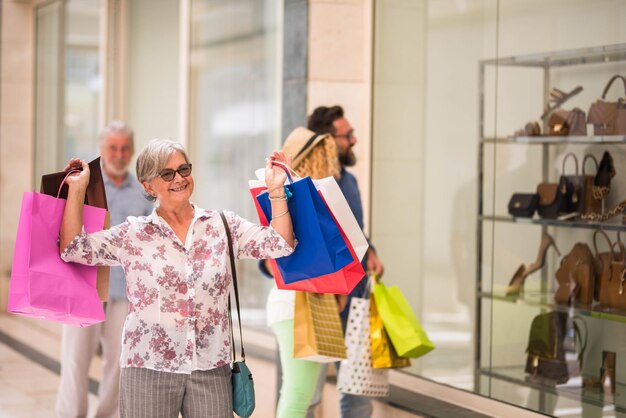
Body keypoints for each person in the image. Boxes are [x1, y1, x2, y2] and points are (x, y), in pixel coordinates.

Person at [59, 138, 295, 417]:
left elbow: (281, 243)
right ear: (148, 186)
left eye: (184, 169)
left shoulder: (222, 225)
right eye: (167, 173)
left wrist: (277, 188)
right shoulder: (134, 234)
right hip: (148, 367)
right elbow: (73, 248)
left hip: (211, 368)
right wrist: (77, 190)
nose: (179, 179)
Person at [56, 121, 153, 418]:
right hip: (83, 287)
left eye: (125, 148)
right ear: (102, 149)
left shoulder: (143, 192)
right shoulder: (84, 185)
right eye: (113, 147)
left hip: (125, 292)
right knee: (74, 361)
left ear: (132, 150)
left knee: (120, 363)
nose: (119, 154)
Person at [306, 105, 384, 418]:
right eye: (347, 135)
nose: (353, 140)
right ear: (327, 140)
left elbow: (354, 233)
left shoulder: (349, 181)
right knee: (306, 395)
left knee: (358, 394)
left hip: (355, 302)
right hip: (319, 302)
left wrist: (371, 251)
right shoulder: (307, 185)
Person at [265, 127, 347, 418]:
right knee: (299, 394)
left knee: (305, 394)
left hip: (305, 303)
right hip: (294, 304)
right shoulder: (288, 200)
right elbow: (270, 259)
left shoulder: (294, 200)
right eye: (325, 158)